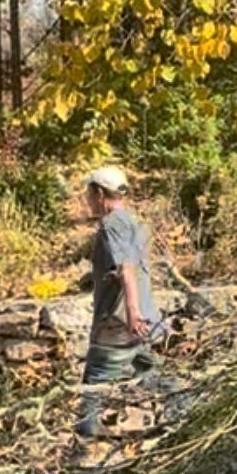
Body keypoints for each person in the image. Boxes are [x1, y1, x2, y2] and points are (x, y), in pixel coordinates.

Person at [76, 164, 162, 439]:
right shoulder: (132, 220)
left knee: (94, 385)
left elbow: (127, 268)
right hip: (145, 318)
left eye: (89, 194)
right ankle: (186, 420)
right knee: (157, 374)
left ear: (100, 194)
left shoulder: (111, 224)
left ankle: (84, 446)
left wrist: (132, 313)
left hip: (119, 322)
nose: (87, 200)